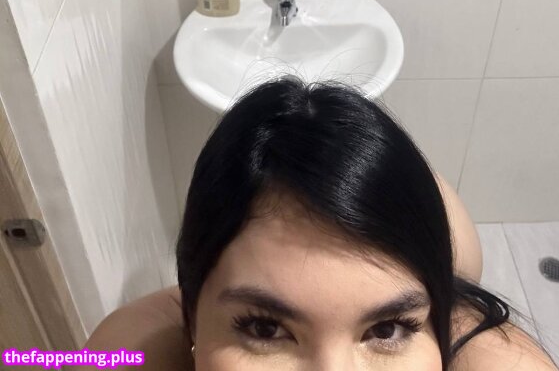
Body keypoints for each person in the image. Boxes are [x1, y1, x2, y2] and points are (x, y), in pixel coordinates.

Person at [83, 77, 556, 370]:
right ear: (190, 321)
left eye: (387, 329)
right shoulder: (118, 352)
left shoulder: (498, 358)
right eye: (264, 329)